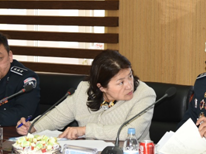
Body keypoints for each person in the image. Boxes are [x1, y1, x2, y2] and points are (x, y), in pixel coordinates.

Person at [16, 50, 156, 140]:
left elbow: (131, 132)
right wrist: (33, 126)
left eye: (130, 76)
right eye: (121, 82)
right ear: (101, 87)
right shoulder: (84, 90)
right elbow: (56, 117)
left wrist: (85, 130)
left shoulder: (144, 94)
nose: (129, 85)